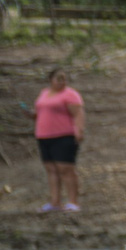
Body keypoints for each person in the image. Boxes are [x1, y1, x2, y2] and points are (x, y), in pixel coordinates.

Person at [32, 71, 83, 213]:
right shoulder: (44, 93)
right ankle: (55, 202)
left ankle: (73, 202)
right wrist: (30, 114)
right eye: (58, 79)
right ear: (50, 79)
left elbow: (78, 113)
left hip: (63, 135)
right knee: (51, 169)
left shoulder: (70, 94)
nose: (62, 82)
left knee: (65, 169)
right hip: (43, 135)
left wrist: (79, 130)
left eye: (64, 79)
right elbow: (40, 112)